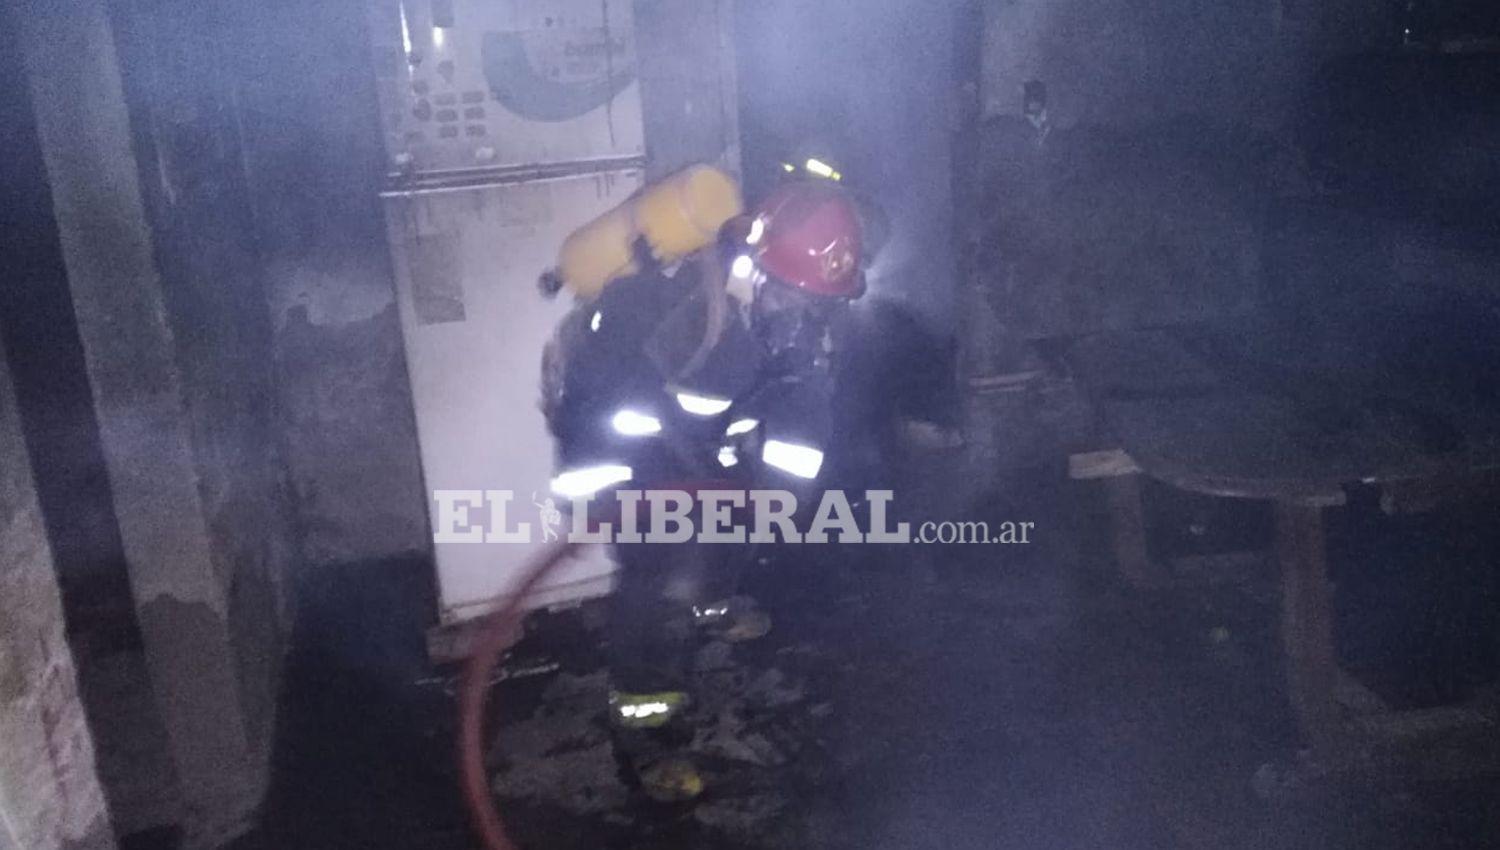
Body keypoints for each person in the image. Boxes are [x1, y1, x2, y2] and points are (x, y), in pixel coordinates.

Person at [540, 179, 867, 800]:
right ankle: (646, 728)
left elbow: (802, 419)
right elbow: (596, 402)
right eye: (794, 299)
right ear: (754, 267)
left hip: (702, 448)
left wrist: (779, 501)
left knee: (733, 524)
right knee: (656, 577)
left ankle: (711, 603)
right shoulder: (682, 307)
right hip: (625, 445)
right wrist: (605, 494)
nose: (804, 319)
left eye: (818, 306)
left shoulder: (804, 322)